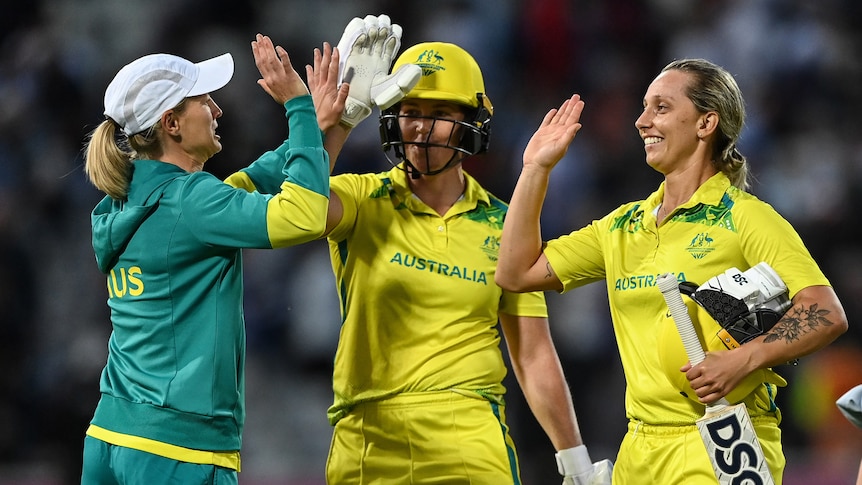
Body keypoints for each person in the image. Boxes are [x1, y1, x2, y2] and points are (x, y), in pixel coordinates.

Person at [494, 58, 849, 484]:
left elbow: (826, 311)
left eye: (661, 107)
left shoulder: (747, 218)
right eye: (644, 107)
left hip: (724, 440)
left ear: (706, 123)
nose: (642, 121)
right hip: (638, 450)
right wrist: (535, 169)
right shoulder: (622, 226)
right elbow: (516, 273)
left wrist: (743, 359)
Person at [310, 14, 611, 484]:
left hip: (469, 436)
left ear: (472, 124)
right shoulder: (359, 199)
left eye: (441, 116)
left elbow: (532, 353)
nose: (422, 130)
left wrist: (574, 460)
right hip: (367, 436)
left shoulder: (504, 226)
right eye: (411, 113)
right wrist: (341, 123)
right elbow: (296, 209)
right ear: (390, 116)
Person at [79, 34, 346, 484]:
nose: (218, 110)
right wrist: (297, 106)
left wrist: (319, 124)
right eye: (203, 100)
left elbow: (248, 184)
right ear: (172, 123)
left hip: (110, 436)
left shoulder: (119, 203)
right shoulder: (192, 201)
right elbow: (304, 215)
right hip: (178, 449)